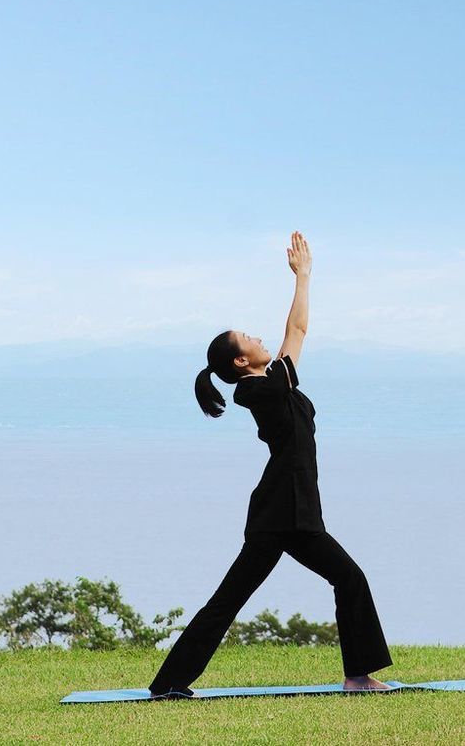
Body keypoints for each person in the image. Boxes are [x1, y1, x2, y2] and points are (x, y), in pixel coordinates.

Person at [146, 231, 395, 698]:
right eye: (249, 338)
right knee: (343, 578)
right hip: (287, 511)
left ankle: (169, 684)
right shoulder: (257, 389)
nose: (259, 337)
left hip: (287, 510)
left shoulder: (270, 383)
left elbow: (290, 344)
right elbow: (297, 332)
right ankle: (358, 677)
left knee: (237, 597)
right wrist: (303, 276)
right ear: (242, 360)